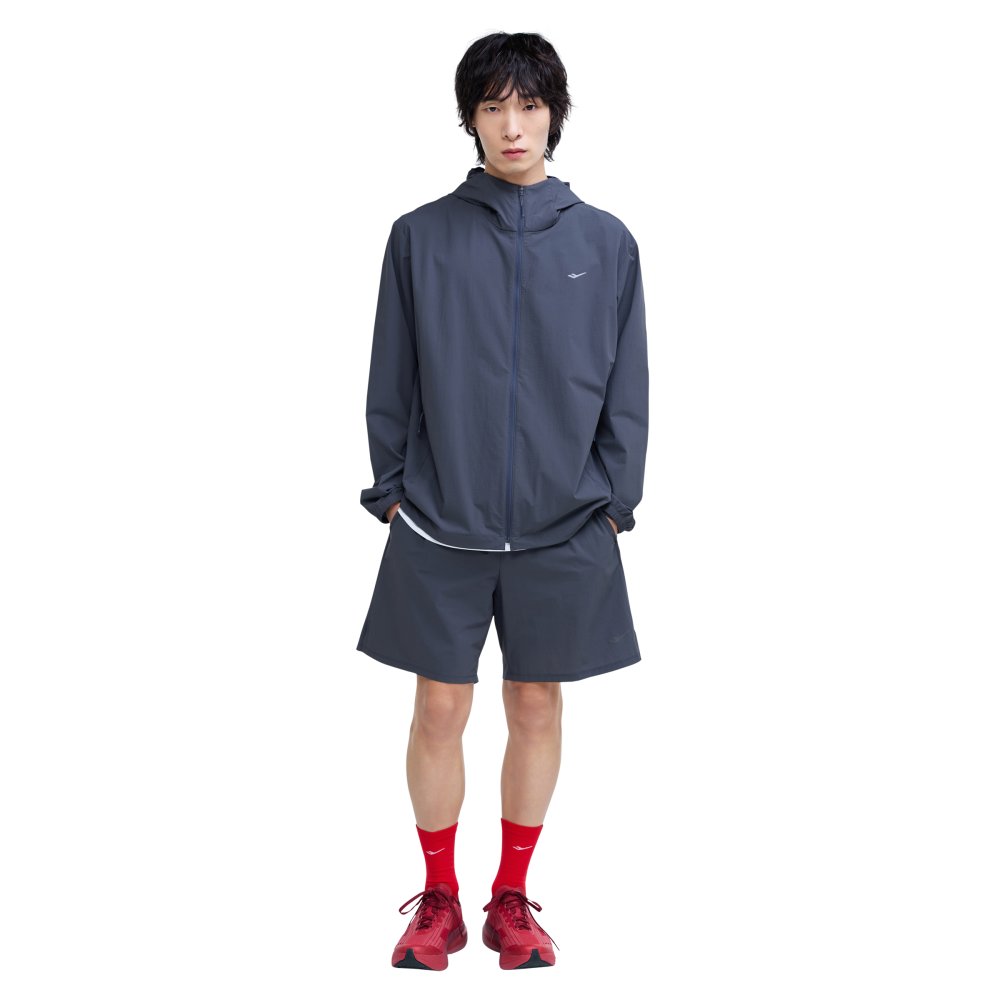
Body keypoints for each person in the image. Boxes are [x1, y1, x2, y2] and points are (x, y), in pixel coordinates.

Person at [356, 31, 649, 971]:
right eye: (492, 107)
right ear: (471, 120)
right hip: (441, 520)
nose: (512, 126)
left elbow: (628, 387)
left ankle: (510, 899)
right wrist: (394, 492)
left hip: (565, 524)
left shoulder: (606, 242)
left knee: (536, 704)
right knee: (439, 708)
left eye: (528, 105)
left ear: (554, 113)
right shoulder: (420, 237)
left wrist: (614, 501)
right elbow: (391, 376)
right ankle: (438, 900)